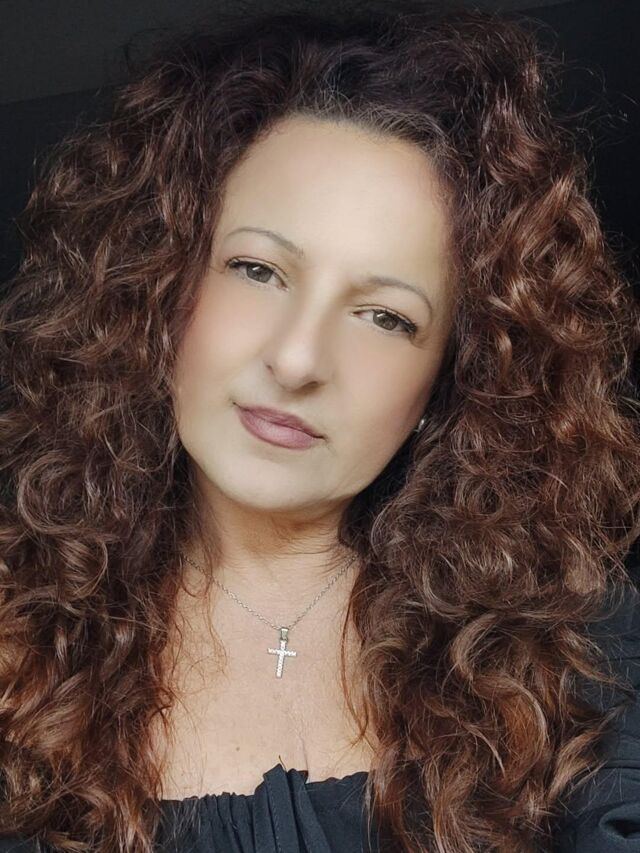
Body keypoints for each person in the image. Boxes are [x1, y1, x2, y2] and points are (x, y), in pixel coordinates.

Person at [0, 4, 639, 852]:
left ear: (454, 374)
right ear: (155, 280)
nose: (298, 358)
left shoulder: (582, 650)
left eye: (385, 316)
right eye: (257, 268)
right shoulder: (15, 627)